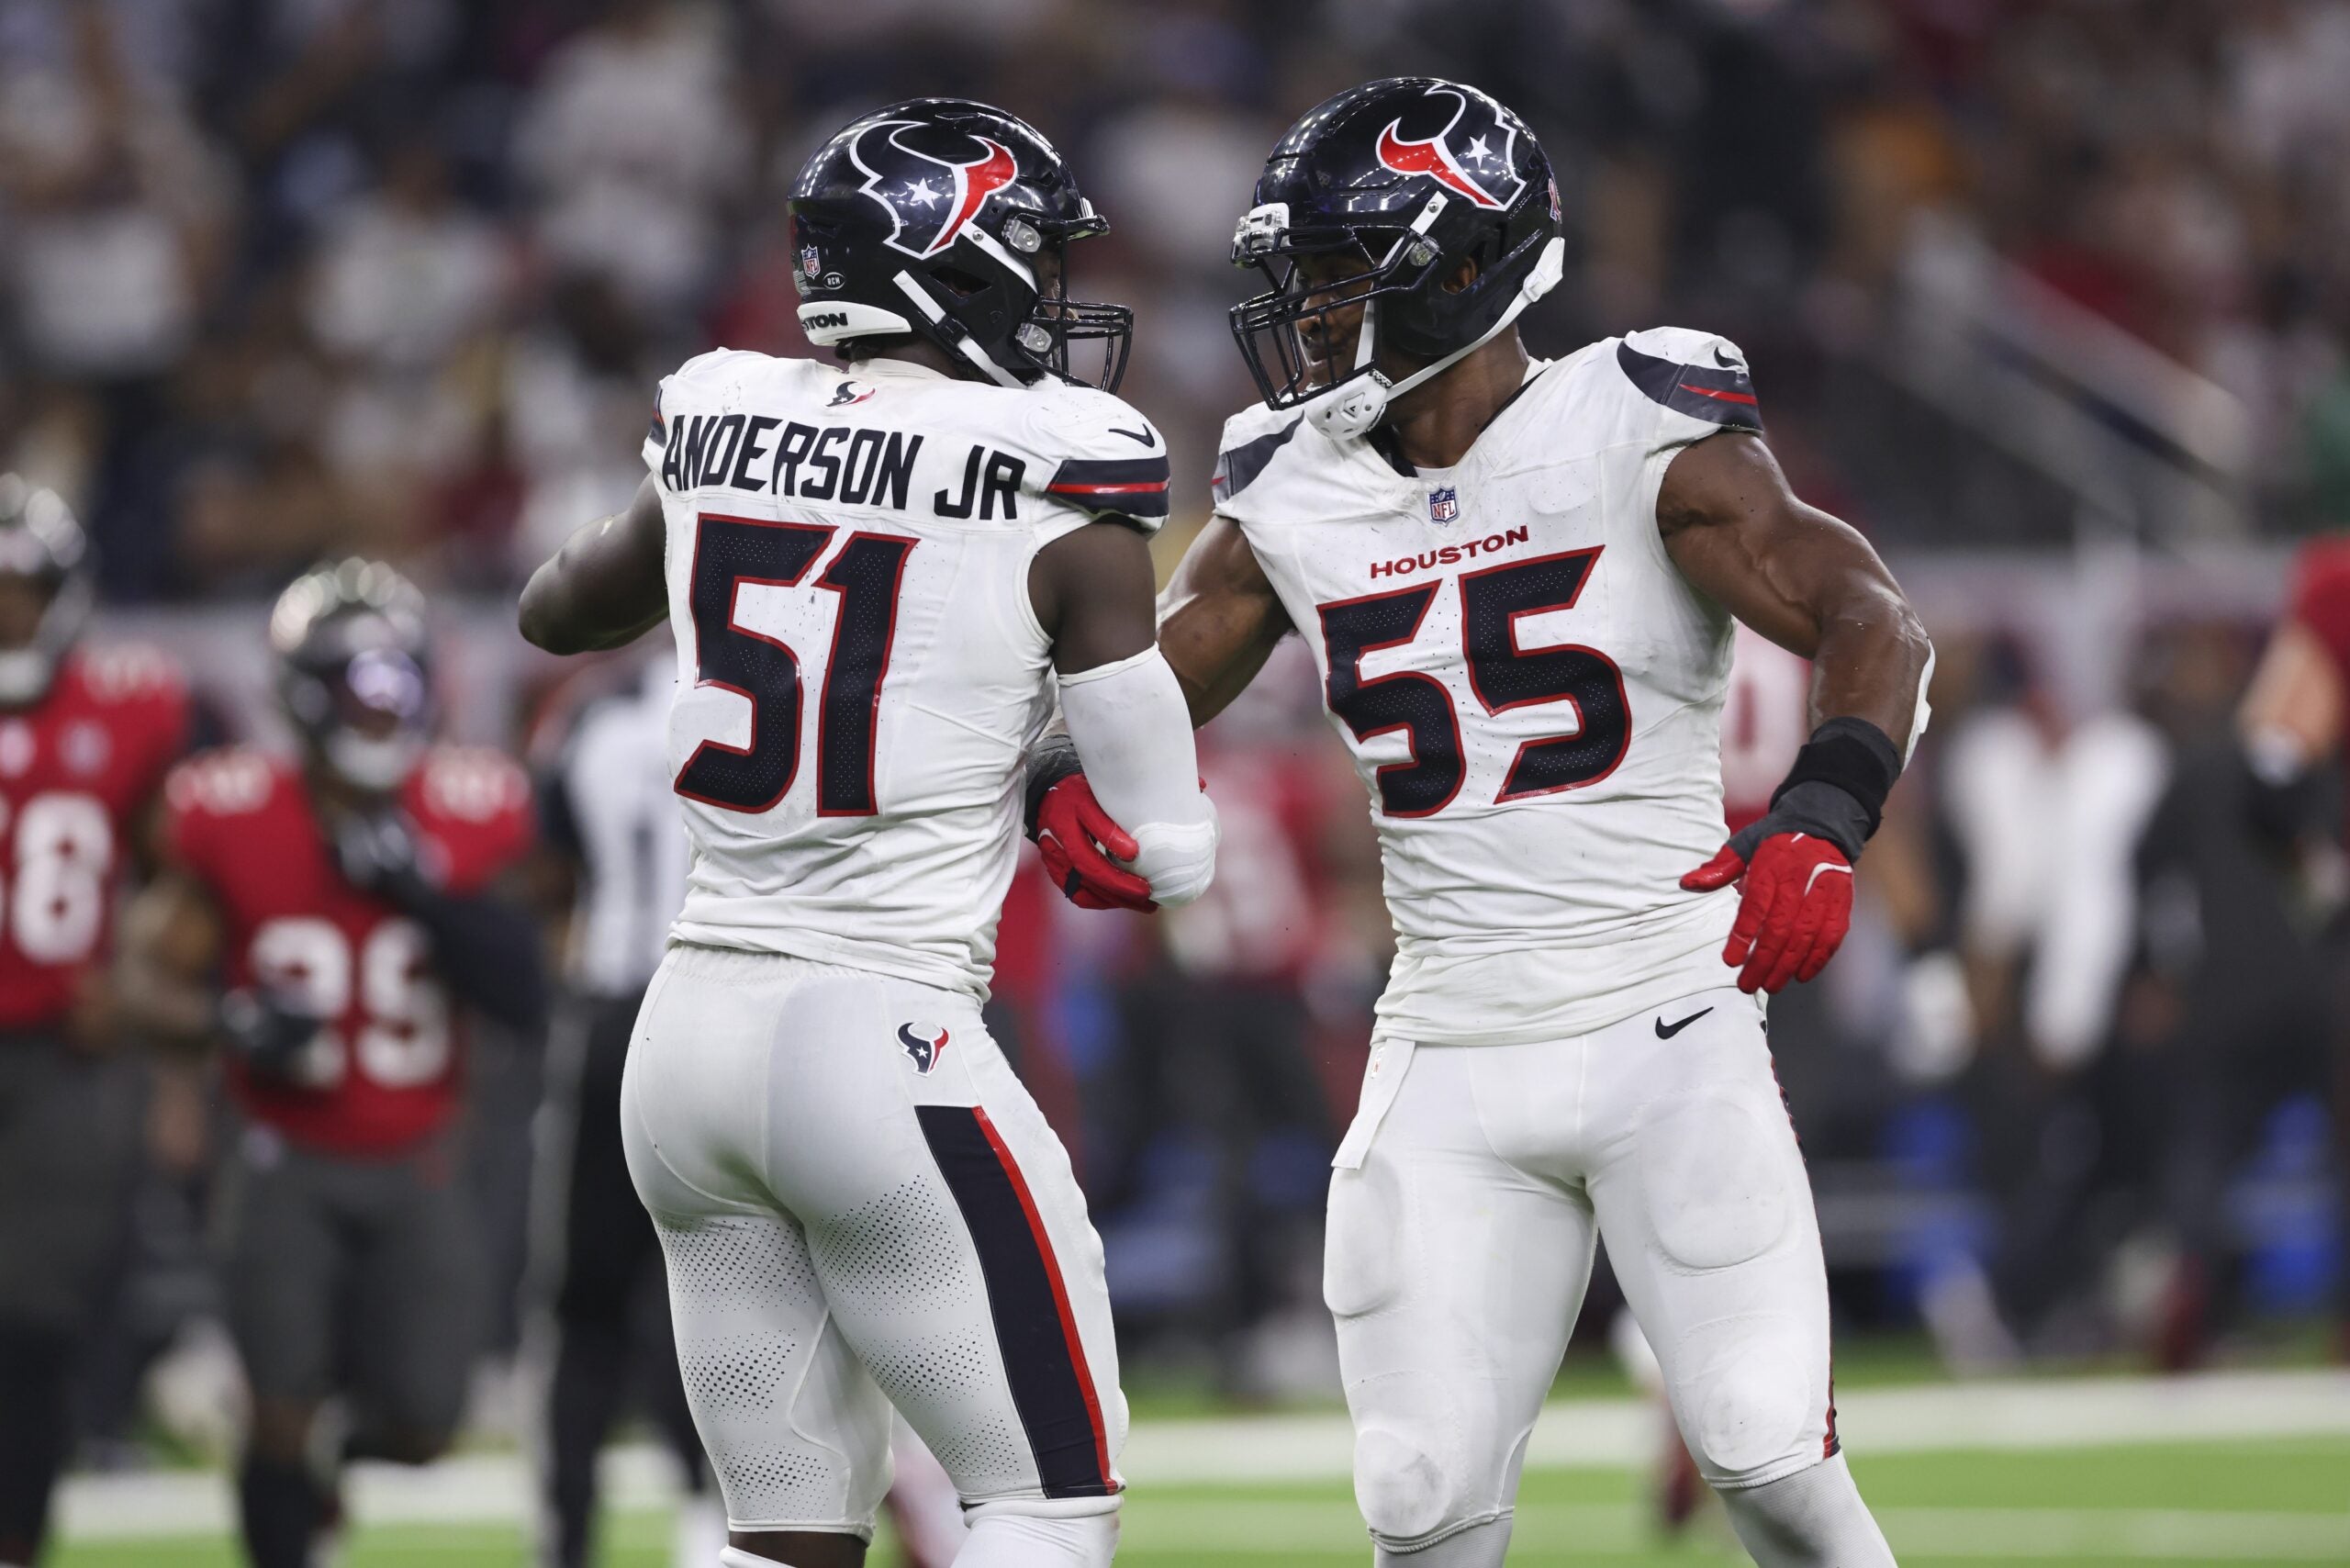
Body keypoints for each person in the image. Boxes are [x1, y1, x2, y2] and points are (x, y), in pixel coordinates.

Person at [1033, 78, 1930, 1568]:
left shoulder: (1635, 413)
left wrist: (1828, 811)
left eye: (1338, 277)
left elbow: (1869, 614)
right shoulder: (1289, 479)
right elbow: (1156, 666)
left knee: (1772, 1463)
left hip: (1665, 1010)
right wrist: (1063, 766)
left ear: (1459, 263)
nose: (1308, 315)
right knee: (1422, 1508)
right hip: (1445, 1037)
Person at [516, 98, 1218, 1568]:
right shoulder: (1057, 456)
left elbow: (557, 610)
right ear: (954, 270)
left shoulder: (721, 409)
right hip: (882, 1034)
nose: (1049, 301)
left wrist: (706, 503)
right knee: (1042, 1501)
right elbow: (1146, 789)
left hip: (685, 1039)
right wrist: (1165, 838)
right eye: (1027, 263)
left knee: (783, 1534)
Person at [115, 559, 546, 1568]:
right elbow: (136, 979)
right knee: (276, 1410)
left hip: (422, 1152)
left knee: (430, 1422)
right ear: (305, 693)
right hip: (281, 1153)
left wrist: (428, 895)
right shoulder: (232, 808)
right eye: (360, 686)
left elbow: (527, 985)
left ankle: (335, 1464)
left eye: (396, 681)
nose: (382, 707)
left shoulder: (469, 805)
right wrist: (227, 1020)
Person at [527, 649, 966, 1568]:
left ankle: (569, 1539)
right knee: (760, 1279)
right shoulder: (796, 690)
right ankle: (730, 1515)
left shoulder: (589, 715)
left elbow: (550, 877)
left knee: (591, 1306)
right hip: (756, 1004)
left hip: (617, 1012)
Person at [0, 476, 191, 1568]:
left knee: (28, 1321)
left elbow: (183, 881)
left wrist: (129, 976)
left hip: (67, 1058)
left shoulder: (132, 703)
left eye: (23, 591)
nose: (8, 614)